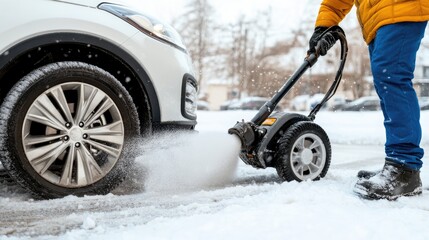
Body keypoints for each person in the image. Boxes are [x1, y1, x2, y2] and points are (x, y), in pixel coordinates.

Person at [308, 0, 429, 200]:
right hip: (377, 18)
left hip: (401, 7)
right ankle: (396, 162)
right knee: (386, 81)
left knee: (392, 77)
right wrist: (324, 25)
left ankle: (404, 167)